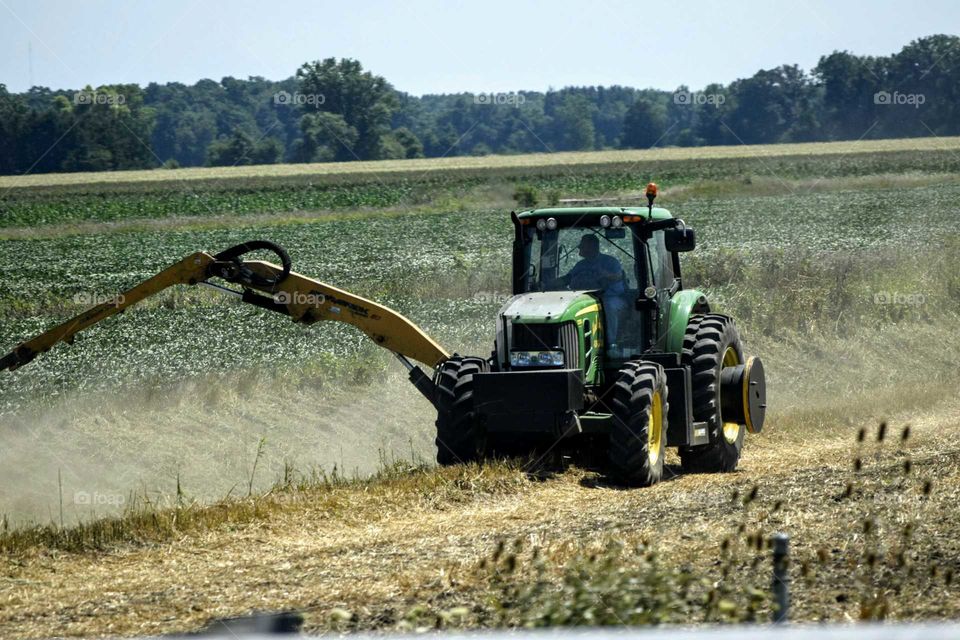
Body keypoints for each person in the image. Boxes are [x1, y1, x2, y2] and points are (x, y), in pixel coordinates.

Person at [558, 234, 627, 343]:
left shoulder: (610, 262)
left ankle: (611, 343)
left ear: (592, 246)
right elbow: (568, 278)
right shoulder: (580, 265)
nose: (579, 248)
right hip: (584, 298)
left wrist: (605, 275)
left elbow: (618, 276)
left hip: (609, 297)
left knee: (609, 307)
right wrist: (548, 284)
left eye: (582, 245)